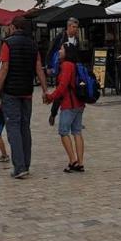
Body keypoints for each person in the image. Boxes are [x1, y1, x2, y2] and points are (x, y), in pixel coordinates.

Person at [0, 16, 48, 179]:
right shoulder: (33, 45)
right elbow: (39, 68)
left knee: (13, 128)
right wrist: (45, 90)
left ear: (13, 27)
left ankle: (19, 166)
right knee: (25, 127)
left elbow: (4, 69)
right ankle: (26, 163)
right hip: (27, 91)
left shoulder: (7, 44)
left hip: (11, 92)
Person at [44, 42, 85, 172]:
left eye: (61, 49)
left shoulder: (67, 65)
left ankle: (73, 161)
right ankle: (80, 162)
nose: (59, 51)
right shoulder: (75, 65)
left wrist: (50, 97)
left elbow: (62, 87)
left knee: (63, 131)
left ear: (67, 52)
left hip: (69, 104)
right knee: (77, 132)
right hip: (79, 103)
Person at [47, 18, 80, 127]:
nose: (75, 29)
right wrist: (49, 66)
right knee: (60, 92)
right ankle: (53, 113)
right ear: (69, 27)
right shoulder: (60, 37)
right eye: (74, 27)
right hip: (61, 68)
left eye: (77, 27)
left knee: (74, 92)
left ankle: (73, 117)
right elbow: (51, 50)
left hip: (72, 69)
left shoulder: (76, 40)